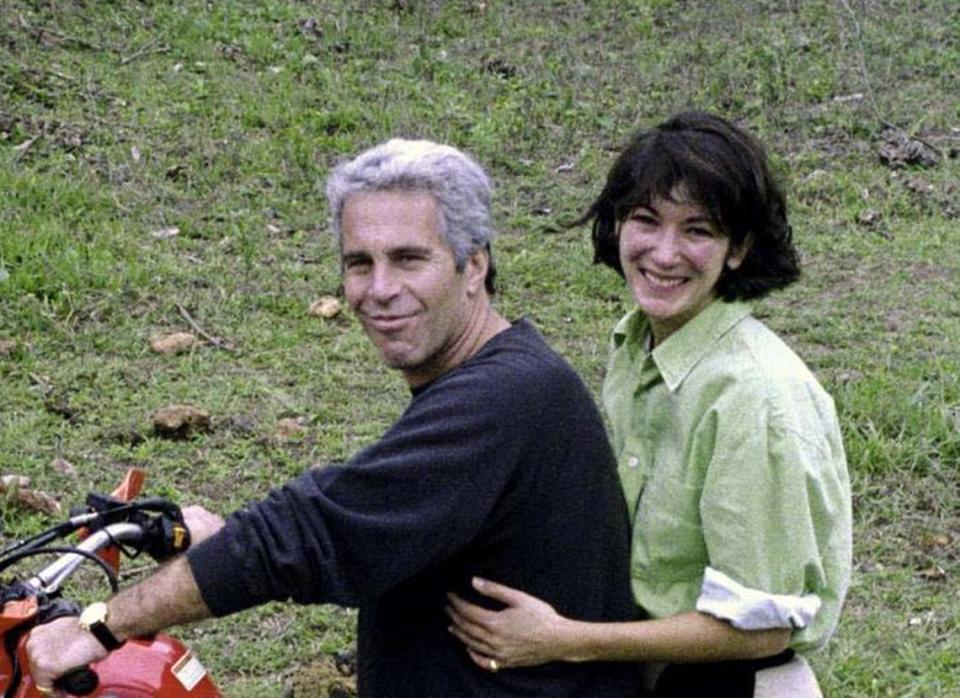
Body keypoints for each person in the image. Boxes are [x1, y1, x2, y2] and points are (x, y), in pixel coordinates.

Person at [26, 139, 639, 696]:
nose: (379, 289)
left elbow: (315, 530)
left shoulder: (506, 397)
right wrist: (221, 539)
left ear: (473, 265)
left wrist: (98, 628)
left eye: (408, 259)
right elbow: (369, 525)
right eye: (359, 263)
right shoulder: (497, 376)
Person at [446, 112, 853, 697]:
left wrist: (566, 638)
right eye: (646, 220)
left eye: (698, 230)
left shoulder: (753, 396)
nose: (664, 253)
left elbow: (761, 628)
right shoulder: (635, 345)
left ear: (738, 248)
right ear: (617, 226)